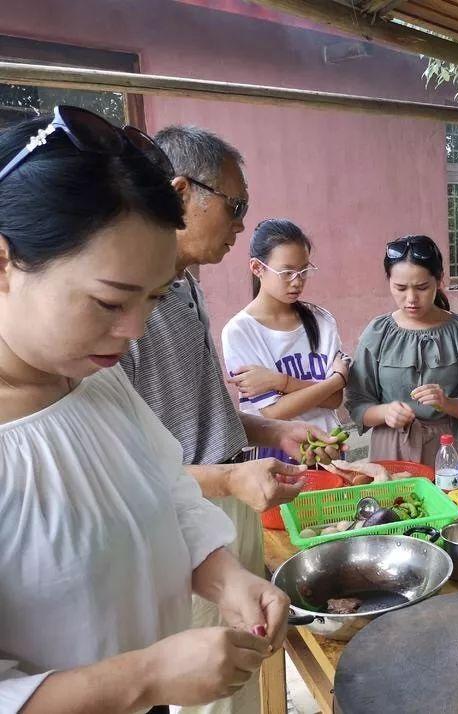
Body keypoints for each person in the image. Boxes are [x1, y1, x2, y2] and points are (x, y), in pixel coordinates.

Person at [0, 108, 288, 712]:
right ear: (4, 263)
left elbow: (166, 492)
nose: (133, 331)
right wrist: (146, 677)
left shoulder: (90, 379)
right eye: (110, 302)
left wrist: (225, 576)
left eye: (154, 299)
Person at [119, 126, 338, 714]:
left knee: (244, 670)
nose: (243, 223)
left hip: (226, 496)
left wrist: (272, 430)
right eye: (235, 206)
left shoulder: (185, 284)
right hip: (176, 524)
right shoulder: (127, 306)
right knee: (209, 689)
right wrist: (223, 481)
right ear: (182, 191)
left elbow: (202, 404)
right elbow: (122, 469)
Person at [346, 235, 458, 464]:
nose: (411, 298)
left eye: (422, 287)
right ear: (389, 282)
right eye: (400, 288)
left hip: (444, 449)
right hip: (390, 447)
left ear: (439, 280)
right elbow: (357, 401)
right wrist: (385, 412)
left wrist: (448, 403)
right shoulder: (377, 333)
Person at [222, 219, 348, 460]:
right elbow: (272, 412)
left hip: (329, 445)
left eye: (304, 270)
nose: (297, 281)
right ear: (257, 268)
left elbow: (335, 400)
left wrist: (280, 382)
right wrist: (335, 380)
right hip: (277, 452)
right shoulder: (239, 331)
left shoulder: (322, 320)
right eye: (287, 272)